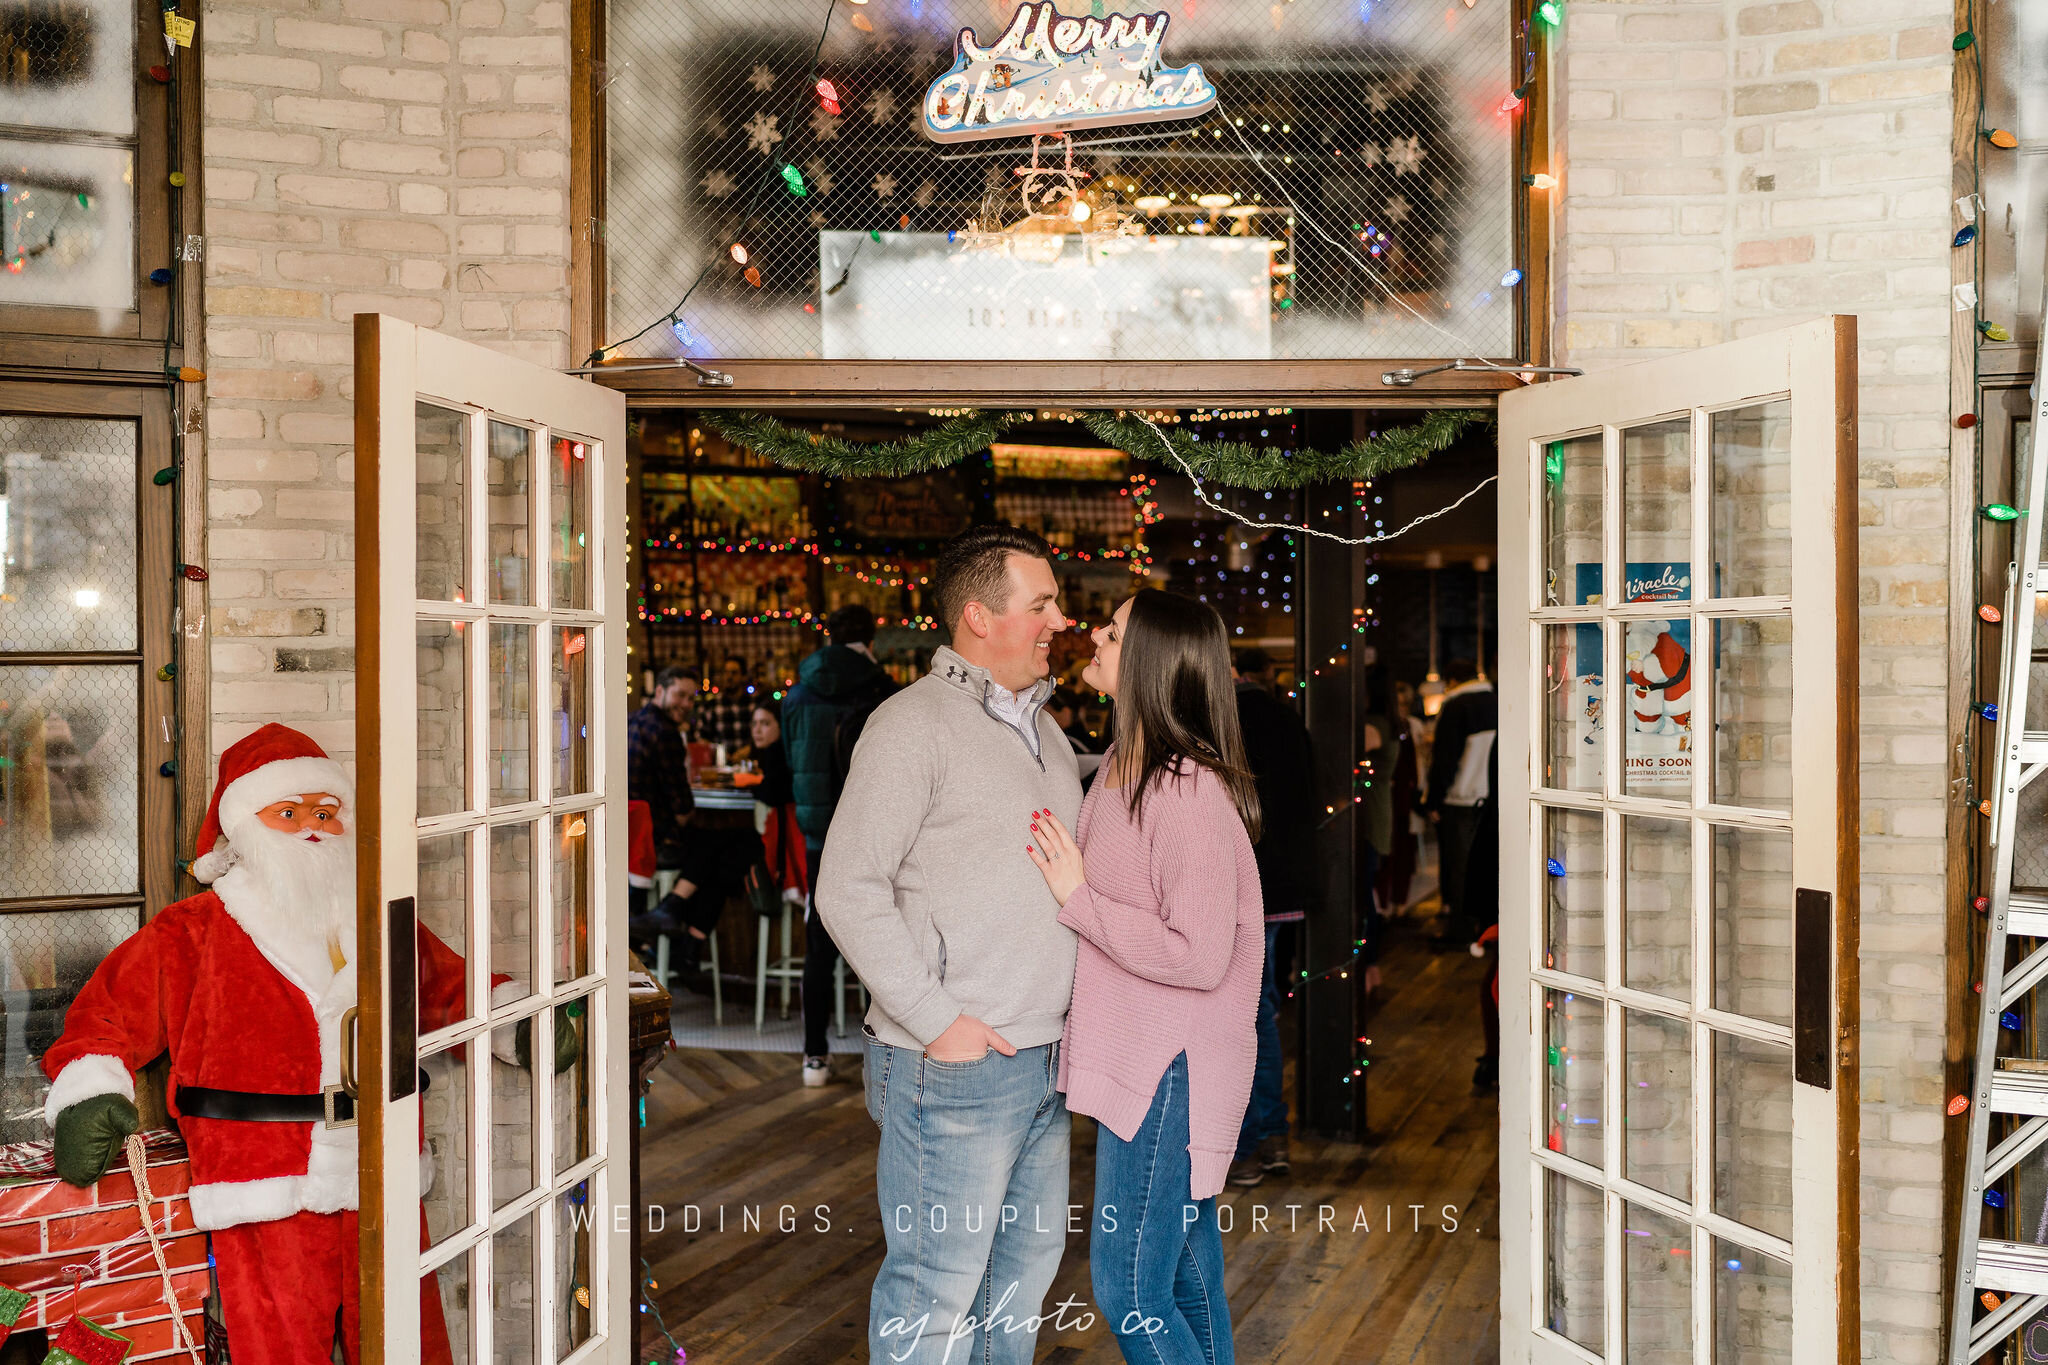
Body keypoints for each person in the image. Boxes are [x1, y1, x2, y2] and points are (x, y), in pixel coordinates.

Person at [37, 725, 575, 1364]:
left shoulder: (377, 921)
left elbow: (448, 986)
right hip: (264, 1181)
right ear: (245, 828)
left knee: (409, 1341)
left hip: (382, 1162)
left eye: (325, 812)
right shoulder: (190, 934)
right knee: (280, 1348)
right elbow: (107, 1016)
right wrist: (89, 1096)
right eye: (287, 813)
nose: (311, 829)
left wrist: (519, 1020)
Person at [815, 524, 1081, 1365]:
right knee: (934, 1294)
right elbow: (845, 888)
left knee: (1018, 1292)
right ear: (978, 615)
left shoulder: (1052, 736)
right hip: (954, 1064)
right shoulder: (910, 724)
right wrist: (938, 1020)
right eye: (1041, 604)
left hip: (1047, 1059)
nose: (1060, 620)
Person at [1027, 590, 1263, 1365]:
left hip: (1168, 1073)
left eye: (1113, 630)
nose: (1091, 634)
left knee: (1129, 1291)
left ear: (1150, 662)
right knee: (1188, 1276)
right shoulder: (1128, 768)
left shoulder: (1183, 789)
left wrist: (1077, 898)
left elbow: (1198, 954)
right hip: (1155, 1064)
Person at [783, 604, 896, 1086]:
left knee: (819, 945)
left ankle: (813, 1056)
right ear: (870, 639)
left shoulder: (796, 695)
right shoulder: (884, 691)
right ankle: (887, 1054)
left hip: (816, 834)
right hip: (875, 831)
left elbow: (790, 763)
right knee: (888, 941)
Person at [1223, 647, 1313, 1190]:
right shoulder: (1285, 716)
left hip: (1236, 887)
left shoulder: (1218, 719)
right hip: (1277, 885)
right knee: (1261, 1011)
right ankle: (1271, 1135)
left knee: (1244, 1014)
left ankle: (1250, 1144)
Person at [627, 666, 753, 980]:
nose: (686, 703)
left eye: (690, 697)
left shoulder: (633, 722)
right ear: (659, 691)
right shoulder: (666, 732)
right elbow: (682, 807)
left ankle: (673, 922)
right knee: (727, 847)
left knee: (716, 855)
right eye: (680, 695)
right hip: (655, 844)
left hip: (628, 842)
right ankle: (682, 937)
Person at [1422, 659, 1497, 948]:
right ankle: (1488, 924)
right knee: (1488, 862)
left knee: (1459, 867)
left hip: (1461, 797)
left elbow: (1445, 760)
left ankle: (1461, 930)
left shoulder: (1455, 707)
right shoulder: (1496, 701)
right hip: (1492, 797)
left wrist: (1433, 801)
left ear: (1451, 680)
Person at [1375, 679, 1423, 914]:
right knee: (1388, 851)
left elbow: (1412, 768)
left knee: (1401, 849)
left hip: (1401, 796)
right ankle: (1385, 903)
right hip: (1391, 795)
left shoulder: (1403, 728)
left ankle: (1398, 902)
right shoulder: (1395, 728)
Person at [701, 654, 758, 754]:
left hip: (749, 762)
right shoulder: (712, 705)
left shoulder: (754, 703)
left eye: (734, 673)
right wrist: (718, 752)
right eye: (726, 672)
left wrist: (749, 749)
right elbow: (702, 737)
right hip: (719, 764)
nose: (729, 677)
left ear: (743, 676)